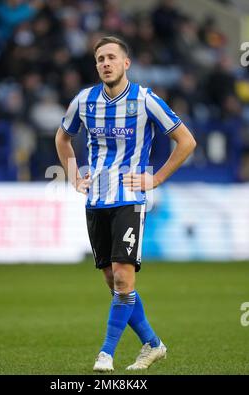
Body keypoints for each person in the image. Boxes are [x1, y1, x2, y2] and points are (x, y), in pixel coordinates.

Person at [55, 36, 196, 372]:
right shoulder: (85, 101)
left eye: (111, 58)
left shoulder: (146, 100)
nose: (105, 63)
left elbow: (186, 141)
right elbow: (62, 137)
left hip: (130, 200)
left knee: (122, 279)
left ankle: (106, 354)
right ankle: (153, 344)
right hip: (96, 201)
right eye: (100, 58)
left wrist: (156, 178)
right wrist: (74, 175)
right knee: (112, 280)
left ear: (126, 63)